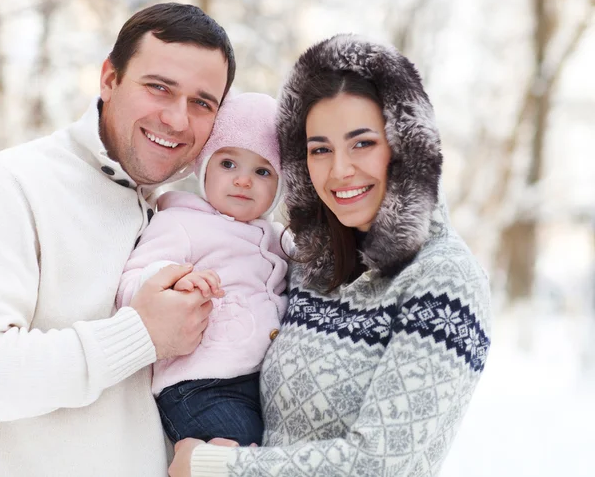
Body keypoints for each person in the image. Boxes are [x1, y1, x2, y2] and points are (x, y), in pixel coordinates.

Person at [171, 34, 492, 477]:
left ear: (407, 145)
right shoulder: (308, 264)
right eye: (320, 149)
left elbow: (382, 464)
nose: (340, 170)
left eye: (362, 143)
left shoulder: (445, 279)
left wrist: (218, 466)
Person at [0, 2, 236, 476]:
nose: (177, 119)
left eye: (202, 103)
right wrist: (139, 335)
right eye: (159, 88)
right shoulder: (15, 184)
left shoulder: (186, 215)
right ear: (109, 78)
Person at [116, 92, 291, 447]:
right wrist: (175, 280)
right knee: (239, 446)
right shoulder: (181, 222)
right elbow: (133, 281)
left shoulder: (276, 237)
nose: (243, 181)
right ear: (204, 166)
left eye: (262, 171)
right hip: (198, 383)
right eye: (228, 164)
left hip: (256, 382)